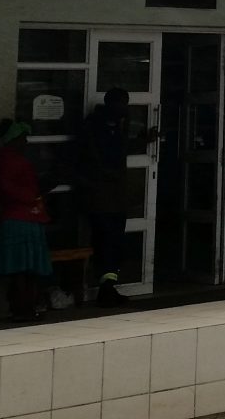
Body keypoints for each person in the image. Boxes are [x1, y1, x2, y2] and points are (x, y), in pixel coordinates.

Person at [76, 90, 148, 305]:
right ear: (111, 104)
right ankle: (103, 289)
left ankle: (109, 286)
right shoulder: (93, 127)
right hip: (100, 198)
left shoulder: (117, 127)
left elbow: (120, 151)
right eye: (122, 104)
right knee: (104, 242)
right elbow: (97, 158)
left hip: (115, 199)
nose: (125, 109)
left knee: (115, 243)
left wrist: (142, 140)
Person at [0, 119, 52, 322]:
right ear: (13, 139)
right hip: (20, 218)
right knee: (23, 268)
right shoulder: (8, 160)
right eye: (22, 138)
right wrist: (31, 196)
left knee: (24, 268)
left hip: (23, 217)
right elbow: (5, 188)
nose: (26, 142)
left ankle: (24, 307)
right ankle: (22, 308)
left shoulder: (8, 159)